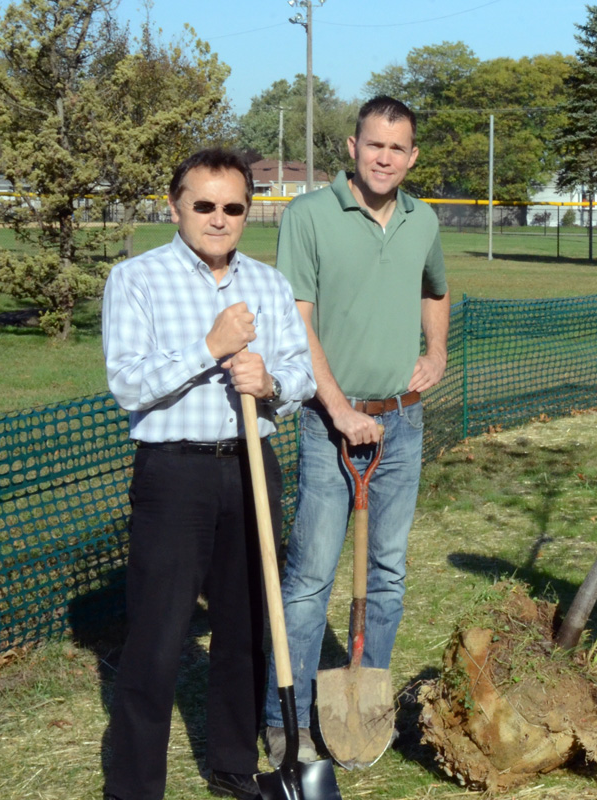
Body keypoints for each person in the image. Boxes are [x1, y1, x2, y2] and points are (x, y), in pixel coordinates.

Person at [101, 149, 315, 800]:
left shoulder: (269, 284)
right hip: (174, 474)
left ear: (247, 212)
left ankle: (230, 763)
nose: (218, 219)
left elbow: (301, 376)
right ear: (175, 207)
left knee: (249, 624)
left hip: (252, 466)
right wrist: (211, 349)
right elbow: (127, 383)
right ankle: (135, 786)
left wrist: (271, 382)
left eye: (233, 207)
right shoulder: (137, 278)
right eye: (204, 205)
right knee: (158, 638)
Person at [264, 95, 449, 765]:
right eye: (375, 144)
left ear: (412, 156)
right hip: (328, 426)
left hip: (403, 420)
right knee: (311, 576)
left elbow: (435, 289)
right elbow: (297, 319)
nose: (384, 157)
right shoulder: (310, 216)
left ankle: (364, 705)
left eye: (397, 148)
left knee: (389, 572)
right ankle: (285, 715)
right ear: (352, 146)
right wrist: (339, 408)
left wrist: (437, 352)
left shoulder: (423, 219)